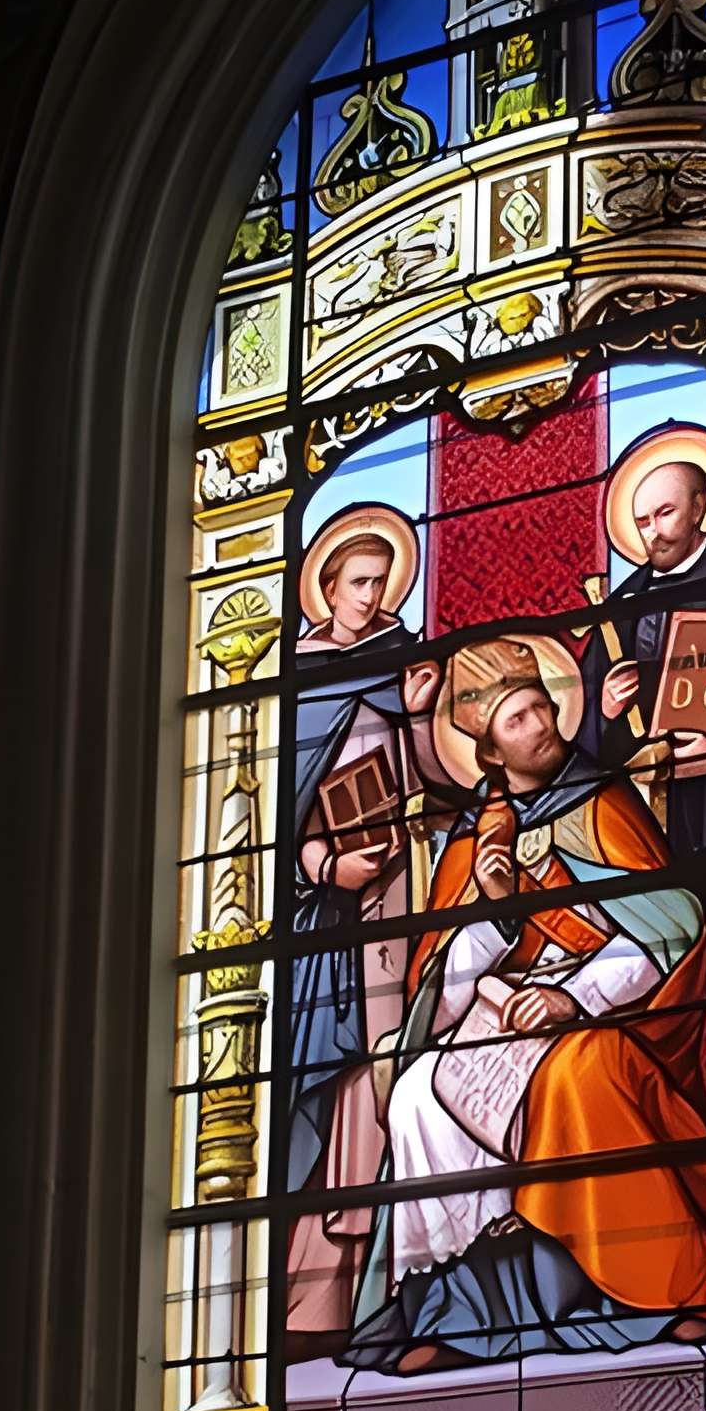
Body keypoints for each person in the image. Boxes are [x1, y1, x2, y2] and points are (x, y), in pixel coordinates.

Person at [344, 634, 706, 1374]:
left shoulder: (605, 804)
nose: (541, 726)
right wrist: (496, 910)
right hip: (500, 1017)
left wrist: (570, 999)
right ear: (490, 751)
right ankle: (464, 1314)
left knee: (581, 1073)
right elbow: (435, 993)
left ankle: (656, 1290)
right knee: (416, 1093)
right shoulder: (471, 844)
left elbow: (668, 928)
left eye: (542, 708)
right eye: (518, 720)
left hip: (611, 1012)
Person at [286, 510, 450, 1353]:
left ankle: (392, 1291)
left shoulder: (399, 658)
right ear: (326, 587)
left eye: (384, 581)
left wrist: (420, 713)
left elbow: (432, 775)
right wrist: (325, 869)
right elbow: (272, 814)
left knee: (398, 1071)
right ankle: (317, 1302)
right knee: (343, 1074)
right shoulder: (297, 677)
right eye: (359, 581)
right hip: (331, 914)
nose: (374, 595)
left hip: (402, 887)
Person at [583, 427, 706, 1009]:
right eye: (641, 520)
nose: (652, 532)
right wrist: (607, 708)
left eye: (665, 513)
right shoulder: (622, 605)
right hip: (649, 807)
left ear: (701, 507)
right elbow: (583, 737)